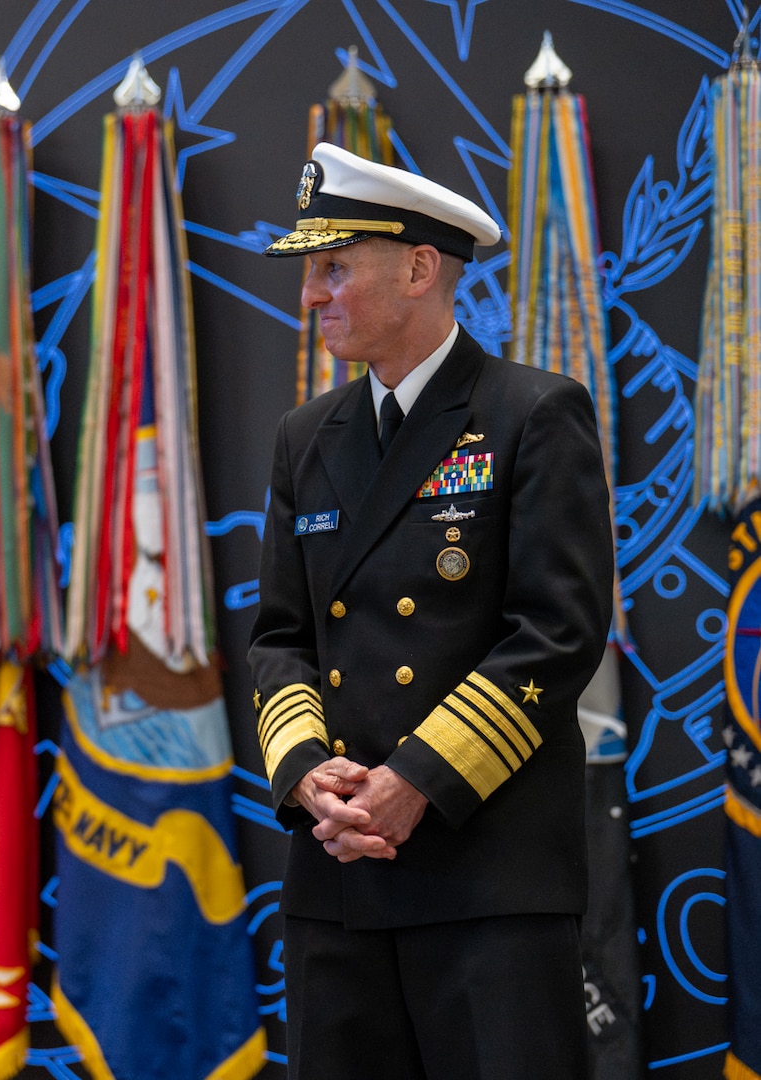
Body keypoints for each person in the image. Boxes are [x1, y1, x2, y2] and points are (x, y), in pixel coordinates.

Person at [247, 143, 615, 1078]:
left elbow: (557, 635)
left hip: (487, 878)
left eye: (333, 268)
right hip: (340, 879)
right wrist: (305, 778)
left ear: (418, 269)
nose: (310, 296)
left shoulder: (533, 413)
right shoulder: (305, 439)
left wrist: (413, 780)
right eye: (308, 273)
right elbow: (282, 637)